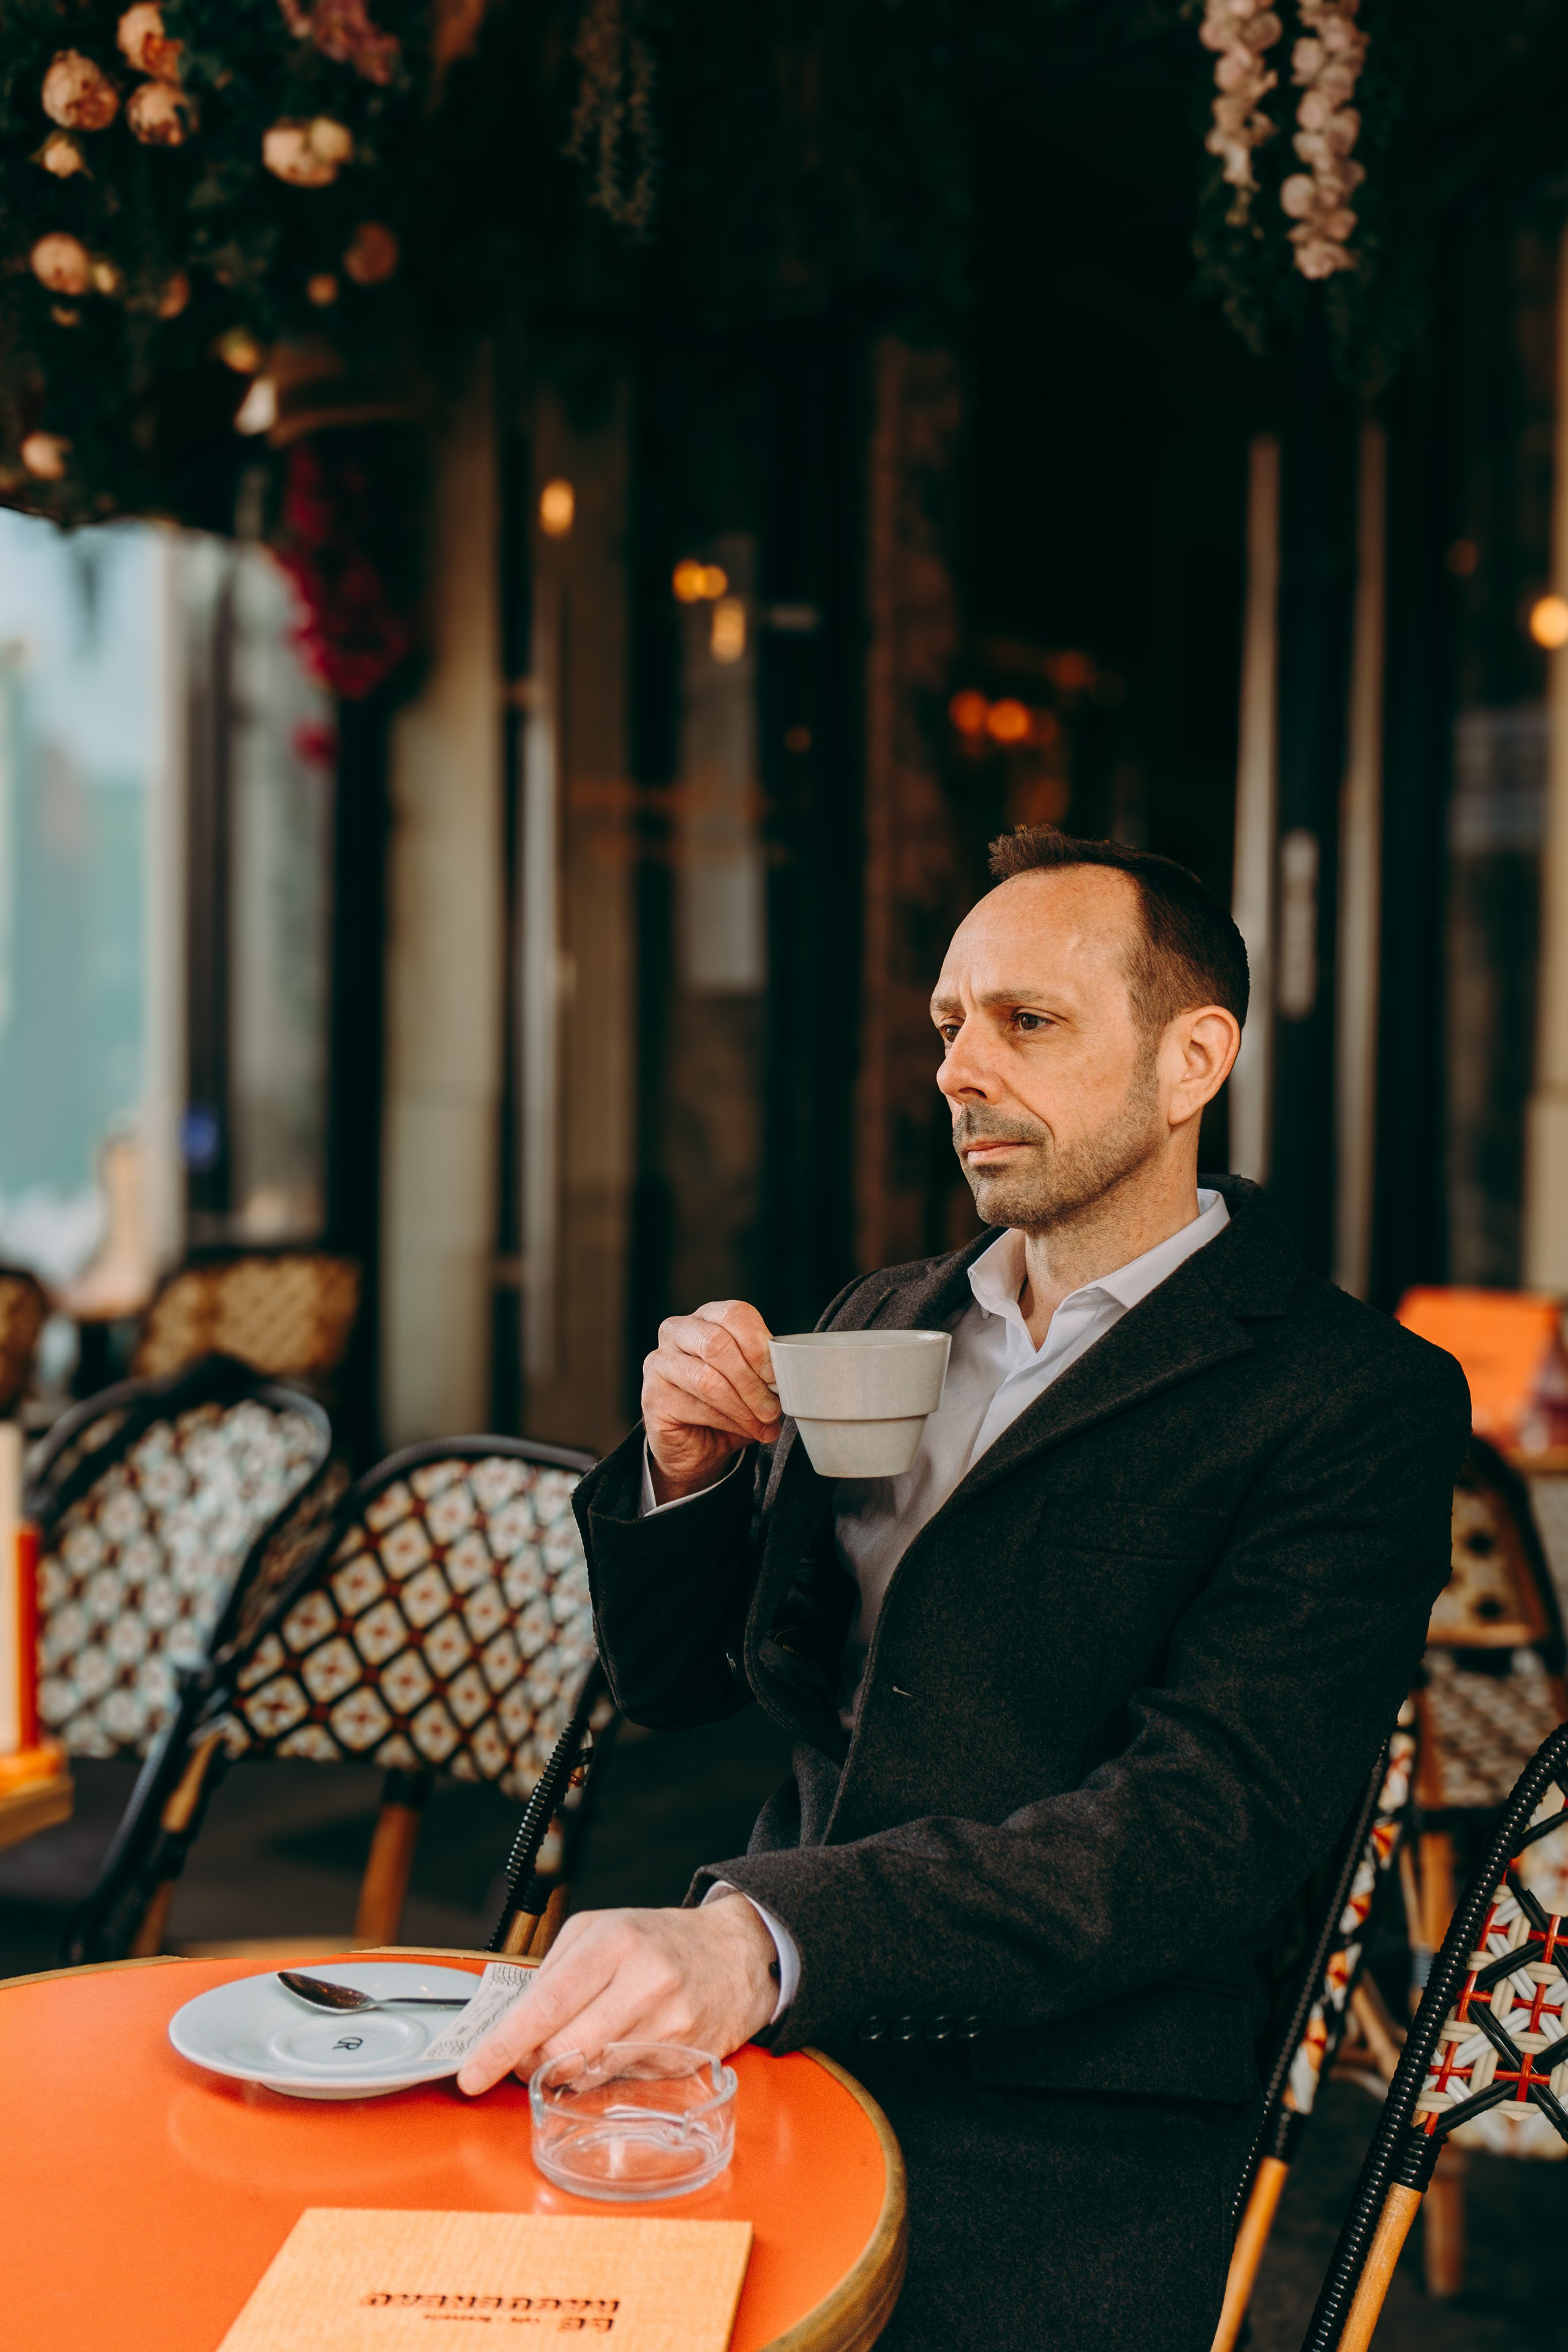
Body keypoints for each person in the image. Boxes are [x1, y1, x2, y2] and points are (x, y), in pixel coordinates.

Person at [458, 824, 1469, 2352]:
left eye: (1028, 1022)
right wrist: (685, 1470)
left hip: (1063, 2112)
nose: (957, 1068)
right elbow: (679, 1686)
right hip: (763, 2051)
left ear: (1193, 1058)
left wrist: (761, 1940)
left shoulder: (1349, 1398)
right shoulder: (881, 1319)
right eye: (947, 1025)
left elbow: (1205, 1835)